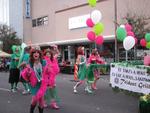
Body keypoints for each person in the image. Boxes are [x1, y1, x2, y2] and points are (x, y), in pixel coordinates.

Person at [21, 46, 46, 113]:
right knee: (35, 99)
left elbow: (48, 73)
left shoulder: (44, 62)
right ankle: (31, 111)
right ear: (32, 54)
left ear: (40, 54)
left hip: (42, 84)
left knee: (41, 100)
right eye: (34, 52)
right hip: (34, 84)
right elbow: (26, 75)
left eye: (37, 52)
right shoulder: (30, 63)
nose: (36, 53)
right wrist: (28, 71)